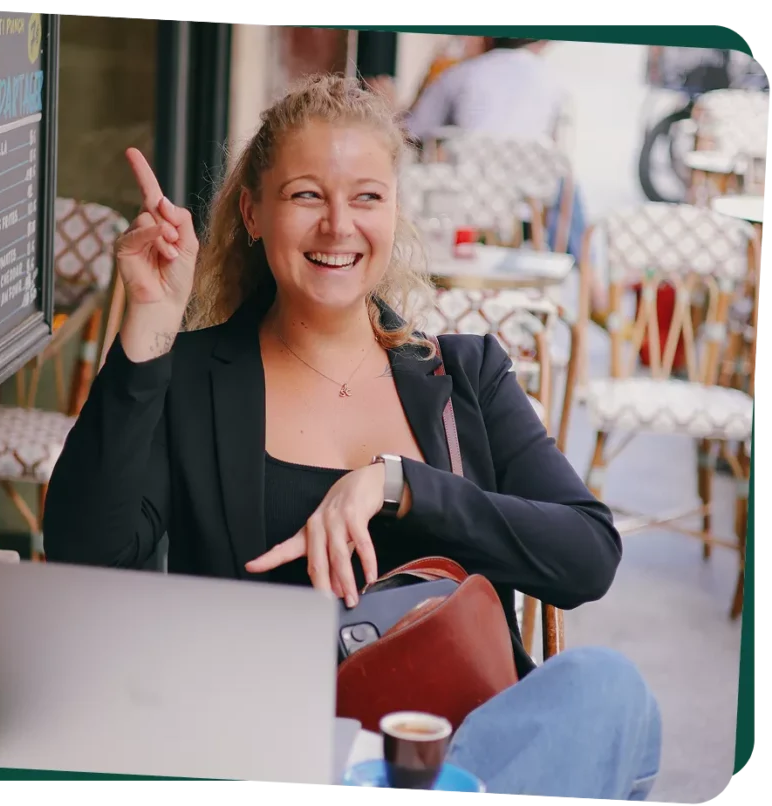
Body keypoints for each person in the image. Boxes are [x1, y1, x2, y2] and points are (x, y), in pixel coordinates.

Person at [43, 74, 661, 800]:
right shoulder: (188, 382)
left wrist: (401, 485)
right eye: (306, 195)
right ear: (252, 212)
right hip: (280, 752)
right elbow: (85, 551)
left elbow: (587, 556)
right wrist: (149, 324)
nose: (339, 226)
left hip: (471, 755)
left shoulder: (467, 376)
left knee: (606, 686)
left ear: (394, 213)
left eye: (366, 197)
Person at [400, 38, 603, 322]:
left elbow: (411, 130)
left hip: (465, 209)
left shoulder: (461, 74)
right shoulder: (553, 81)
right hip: (526, 210)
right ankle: (597, 296)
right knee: (565, 183)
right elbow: (558, 148)